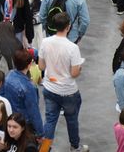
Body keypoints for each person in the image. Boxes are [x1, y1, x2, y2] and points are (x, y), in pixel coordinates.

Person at [38, 13, 87, 152]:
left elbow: (41, 67)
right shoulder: (72, 48)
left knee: (50, 120)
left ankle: (45, 148)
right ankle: (75, 147)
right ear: (68, 27)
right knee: (71, 120)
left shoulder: (45, 42)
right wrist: (80, 68)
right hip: (68, 91)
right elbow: (74, 73)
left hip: (49, 88)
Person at [2, 49, 43, 137]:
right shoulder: (29, 87)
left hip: (9, 119)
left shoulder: (8, 75)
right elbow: (34, 112)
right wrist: (40, 133)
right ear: (29, 65)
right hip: (23, 123)